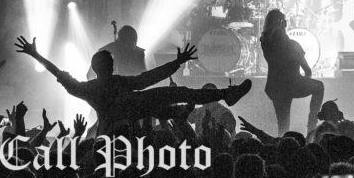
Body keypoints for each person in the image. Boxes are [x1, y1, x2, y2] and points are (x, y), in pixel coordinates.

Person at [14, 35, 251, 134]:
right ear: (110, 66)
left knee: (174, 97)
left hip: (114, 127)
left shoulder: (89, 89)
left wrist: (36, 55)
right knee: (177, 94)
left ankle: (221, 96)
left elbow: (59, 73)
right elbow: (148, 79)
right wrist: (176, 63)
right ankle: (224, 95)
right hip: (131, 118)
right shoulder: (118, 82)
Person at [259, 8, 324, 135]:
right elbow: (307, 71)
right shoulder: (293, 45)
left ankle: (284, 145)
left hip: (275, 87)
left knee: (283, 125)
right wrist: (304, 81)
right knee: (319, 87)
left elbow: (268, 38)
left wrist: (275, 27)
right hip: (293, 84)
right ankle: (311, 125)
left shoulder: (266, 43)